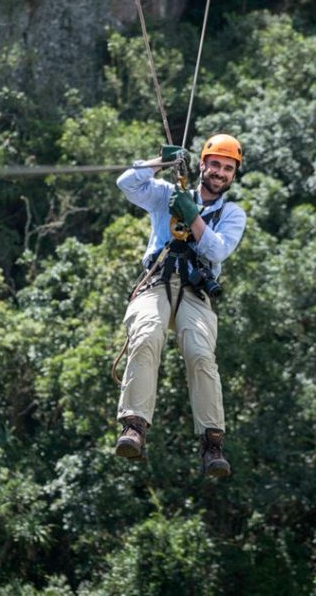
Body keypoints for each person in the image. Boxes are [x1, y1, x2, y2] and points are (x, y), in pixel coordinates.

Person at [113, 134, 246, 477]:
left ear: (233, 175)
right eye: (214, 164)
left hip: (196, 290)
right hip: (157, 280)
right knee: (146, 336)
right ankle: (134, 426)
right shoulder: (168, 195)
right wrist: (160, 162)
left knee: (200, 353)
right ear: (202, 165)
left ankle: (212, 442)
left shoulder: (232, 214)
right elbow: (127, 183)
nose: (219, 172)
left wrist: (194, 217)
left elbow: (216, 251)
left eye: (227, 168)